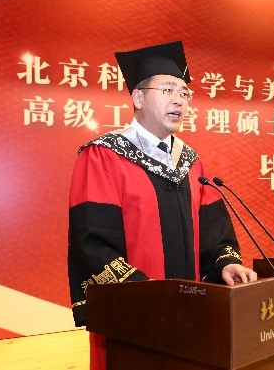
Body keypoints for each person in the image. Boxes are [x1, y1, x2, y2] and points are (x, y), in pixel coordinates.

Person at [67, 40, 258, 370]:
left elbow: (214, 231)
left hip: (191, 314)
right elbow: (92, 243)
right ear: (138, 98)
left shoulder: (190, 162)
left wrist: (226, 264)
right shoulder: (103, 156)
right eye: (168, 90)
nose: (179, 100)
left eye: (184, 93)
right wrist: (149, 297)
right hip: (135, 322)